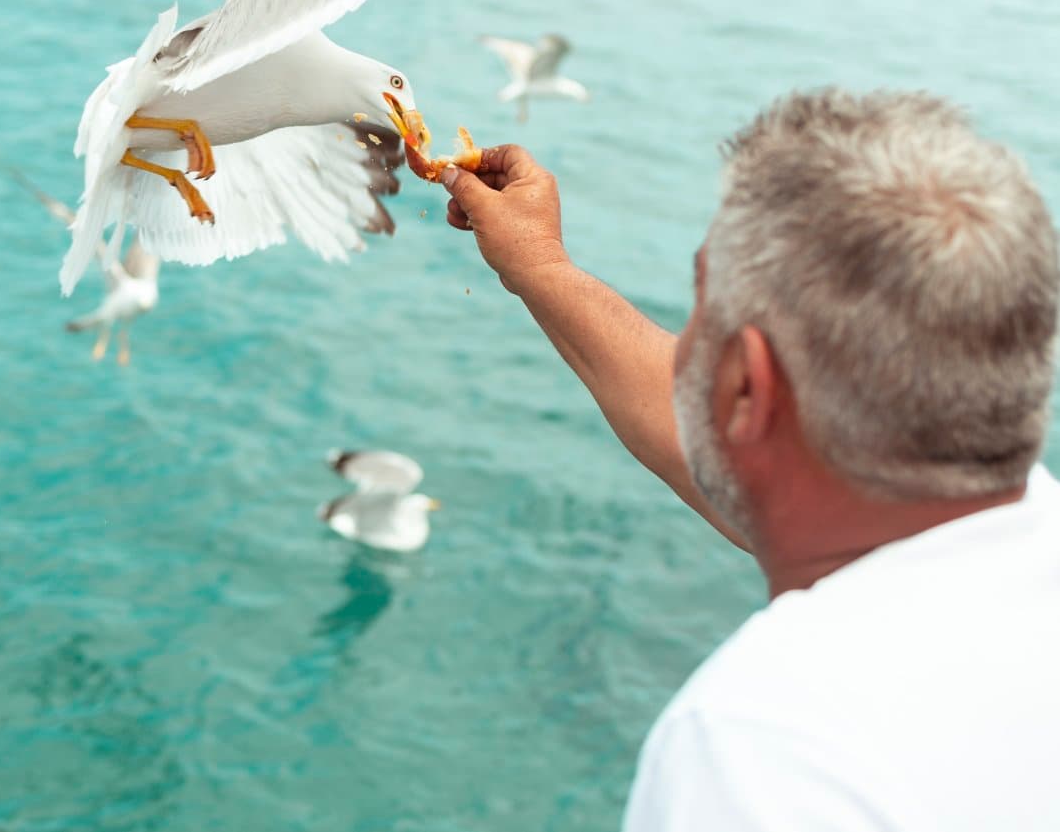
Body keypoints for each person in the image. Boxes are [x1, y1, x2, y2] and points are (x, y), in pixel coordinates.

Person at [438, 88, 1060, 831]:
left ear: (743, 385)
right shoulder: (1008, 533)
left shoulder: (766, 746)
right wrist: (539, 265)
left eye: (702, 304)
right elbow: (718, 433)